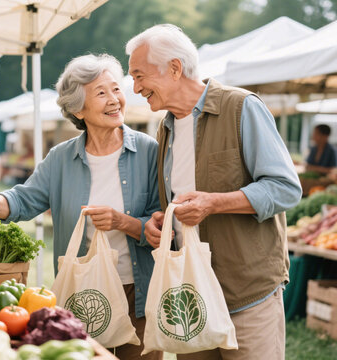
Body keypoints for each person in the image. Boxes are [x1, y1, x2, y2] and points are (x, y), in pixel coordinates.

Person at [0, 54, 162, 360]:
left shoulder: (148, 150)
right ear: (78, 109)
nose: (115, 100)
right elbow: (24, 200)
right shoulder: (61, 158)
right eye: (101, 93)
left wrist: (122, 222)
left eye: (116, 89)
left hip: (138, 290)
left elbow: (161, 226)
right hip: (83, 291)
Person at [126, 24, 302, 360]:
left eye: (139, 76)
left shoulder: (241, 107)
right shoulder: (166, 128)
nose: (135, 88)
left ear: (174, 68)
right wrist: (158, 221)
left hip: (245, 293)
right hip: (191, 296)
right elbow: (179, 199)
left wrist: (215, 203)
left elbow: (285, 188)